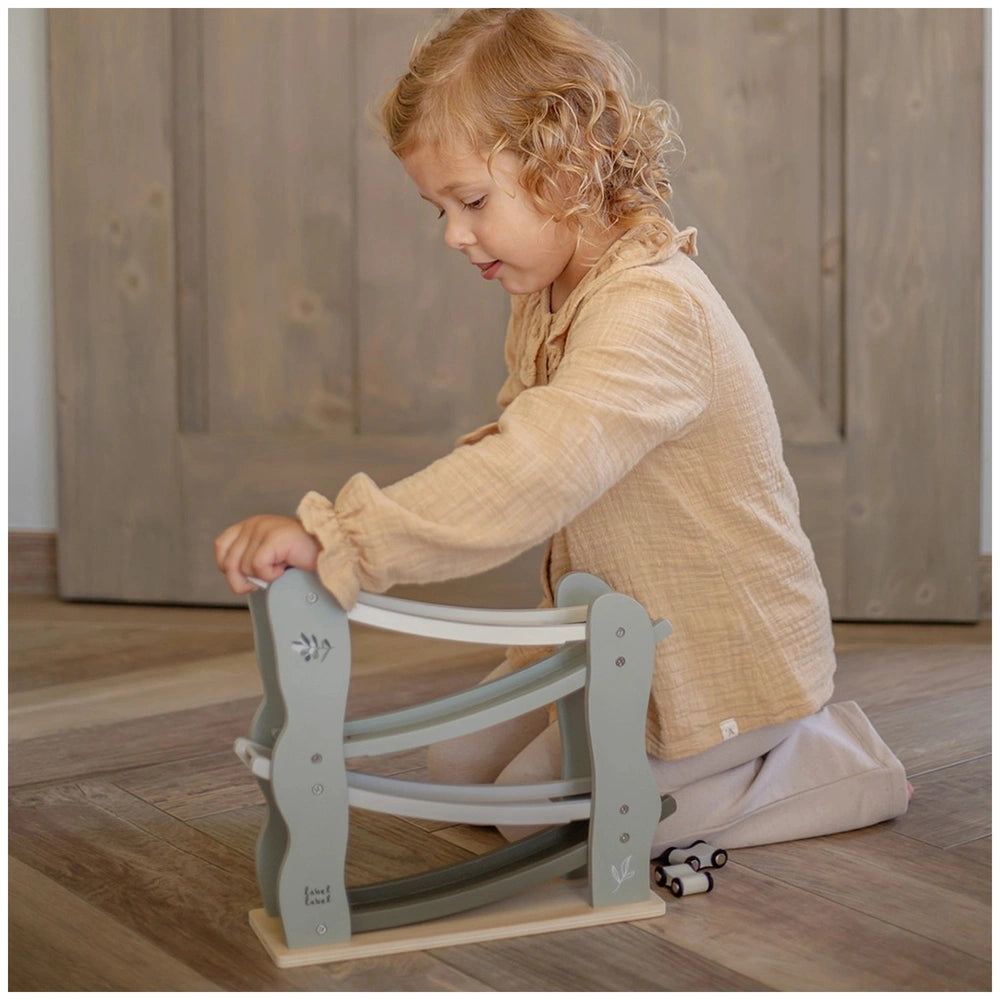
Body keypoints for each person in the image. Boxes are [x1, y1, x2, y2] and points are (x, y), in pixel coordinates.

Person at [215, 8, 909, 851]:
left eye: (471, 200)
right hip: (614, 642)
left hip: (715, 663)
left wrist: (344, 540)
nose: (455, 235)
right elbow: (515, 456)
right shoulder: (549, 297)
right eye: (438, 209)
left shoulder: (653, 312)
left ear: (566, 162)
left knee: (531, 815)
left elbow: (535, 470)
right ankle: (651, 762)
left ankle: (831, 762)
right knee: (459, 770)